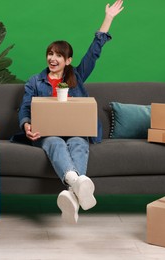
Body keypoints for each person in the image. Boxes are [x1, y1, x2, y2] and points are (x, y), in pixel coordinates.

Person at [17, 0, 124, 224]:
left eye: (58, 55)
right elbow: (26, 108)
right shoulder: (35, 82)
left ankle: (71, 195)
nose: (52, 58)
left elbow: (93, 52)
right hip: (47, 133)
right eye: (50, 54)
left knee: (78, 143)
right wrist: (26, 125)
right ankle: (77, 185)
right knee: (55, 142)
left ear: (68, 61)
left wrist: (108, 18)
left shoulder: (77, 76)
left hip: (76, 131)